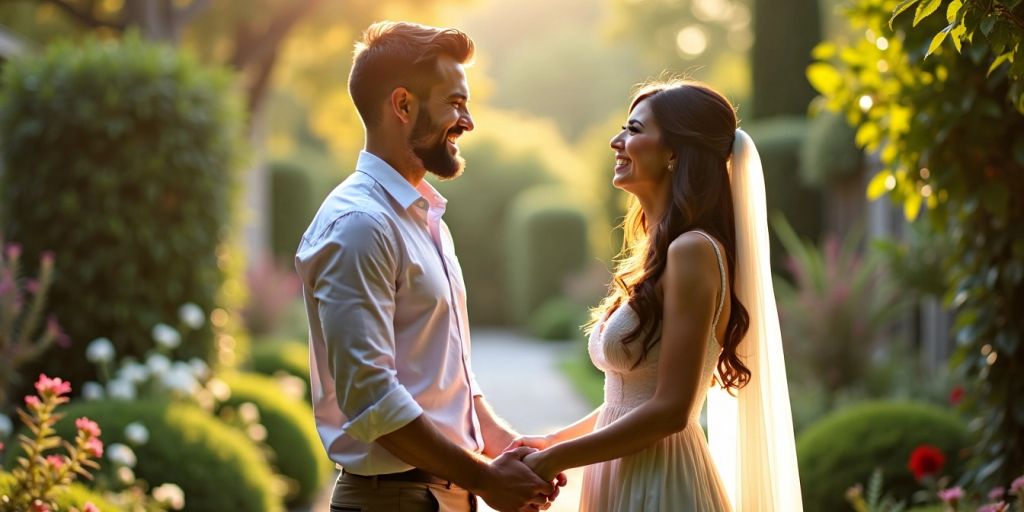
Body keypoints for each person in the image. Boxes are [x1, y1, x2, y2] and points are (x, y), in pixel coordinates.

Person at [294, 21, 561, 512]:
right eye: (456, 103)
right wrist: (485, 478)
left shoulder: (425, 216)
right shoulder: (359, 224)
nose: (468, 121)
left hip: (438, 495)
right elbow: (372, 400)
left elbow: (442, 371)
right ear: (403, 105)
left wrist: (500, 443)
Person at [514, 80, 804, 511]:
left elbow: (671, 409)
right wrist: (555, 440)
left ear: (674, 153)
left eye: (632, 129)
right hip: (622, 471)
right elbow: (629, 400)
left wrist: (555, 460)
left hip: (660, 481)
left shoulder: (693, 251)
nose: (617, 141)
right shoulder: (657, 254)